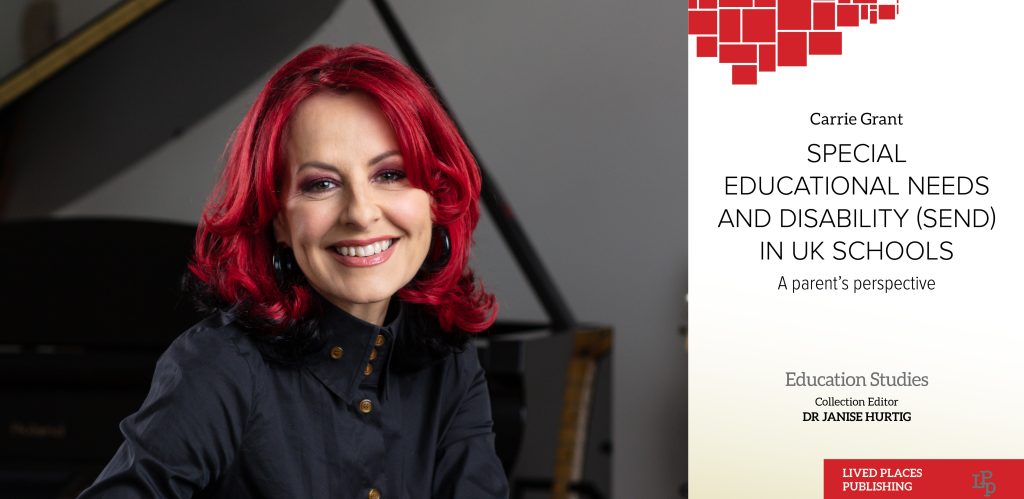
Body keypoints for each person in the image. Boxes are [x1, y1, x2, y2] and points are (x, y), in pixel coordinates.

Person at [79, 44, 508, 498]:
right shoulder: (222, 364)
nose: (361, 213)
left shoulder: (449, 361)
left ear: (436, 196)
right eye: (321, 184)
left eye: (389, 175)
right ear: (277, 219)